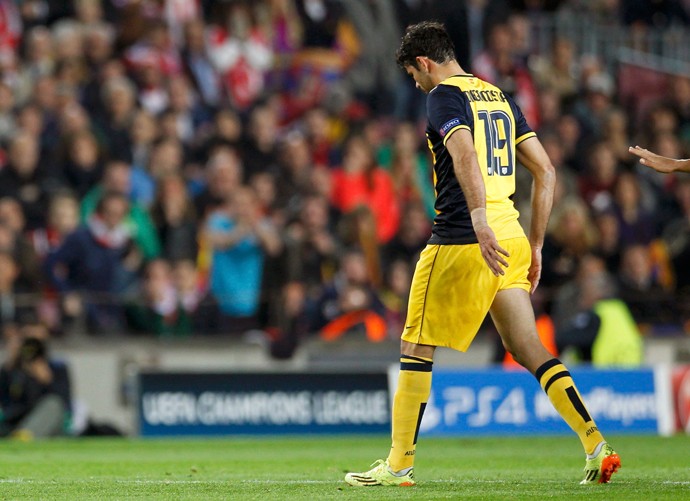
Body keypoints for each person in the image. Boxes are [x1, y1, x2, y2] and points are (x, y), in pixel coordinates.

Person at [345, 22, 620, 488]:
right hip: (511, 236)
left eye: (414, 74)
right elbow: (547, 171)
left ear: (425, 63)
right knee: (528, 348)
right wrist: (535, 243)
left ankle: (398, 464)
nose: (416, 84)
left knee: (415, 342)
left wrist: (477, 218)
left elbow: (465, 155)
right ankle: (596, 444)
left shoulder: (444, 97)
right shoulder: (500, 96)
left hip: (463, 237)